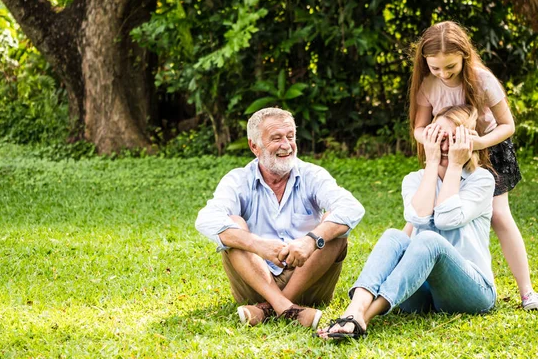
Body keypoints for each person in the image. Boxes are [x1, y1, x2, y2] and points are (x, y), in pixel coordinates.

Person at [317, 105, 497, 340]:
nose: (445, 146)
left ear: (467, 142)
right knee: (394, 235)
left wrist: (454, 165)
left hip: (472, 293)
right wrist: (432, 164)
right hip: (422, 295)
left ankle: (363, 317)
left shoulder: (481, 179)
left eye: (454, 139)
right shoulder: (414, 180)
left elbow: (446, 219)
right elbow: (419, 217)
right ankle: (354, 310)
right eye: (439, 138)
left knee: (428, 239)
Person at [406, 21, 536, 310]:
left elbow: (508, 126)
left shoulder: (481, 79)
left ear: (464, 55)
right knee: (421, 212)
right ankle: (402, 270)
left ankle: (527, 292)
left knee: (500, 215)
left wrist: (477, 144)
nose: (443, 73)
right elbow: (418, 127)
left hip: (488, 149)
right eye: (435, 68)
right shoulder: (427, 83)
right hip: (444, 149)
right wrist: (428, 137)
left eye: (449, 67)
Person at [195, 107, 365, 329]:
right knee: (233, 228)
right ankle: (286, 308)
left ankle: (269, 308)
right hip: (255, 281)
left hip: (309, 280)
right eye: (276, 138)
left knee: (334, 226)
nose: (286, 145)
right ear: (254, 146)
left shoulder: (312, 174)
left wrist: (311, 240)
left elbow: (352, 208)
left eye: (290, 137)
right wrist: (257, 244)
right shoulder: (238, 180)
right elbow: (206, 219)